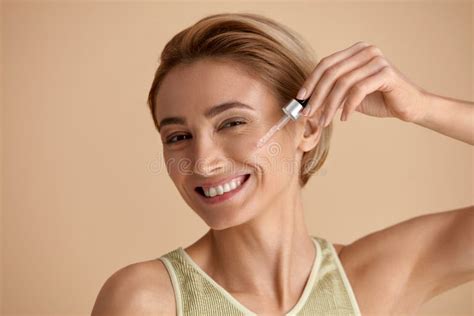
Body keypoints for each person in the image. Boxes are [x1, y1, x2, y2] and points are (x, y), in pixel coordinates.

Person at [91, 13, 474, 315]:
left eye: (232, 123)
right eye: (178, 137)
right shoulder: (146, 301)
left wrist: (424, 107)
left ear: (307, 128)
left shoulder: (373, 279)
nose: (203, 163)